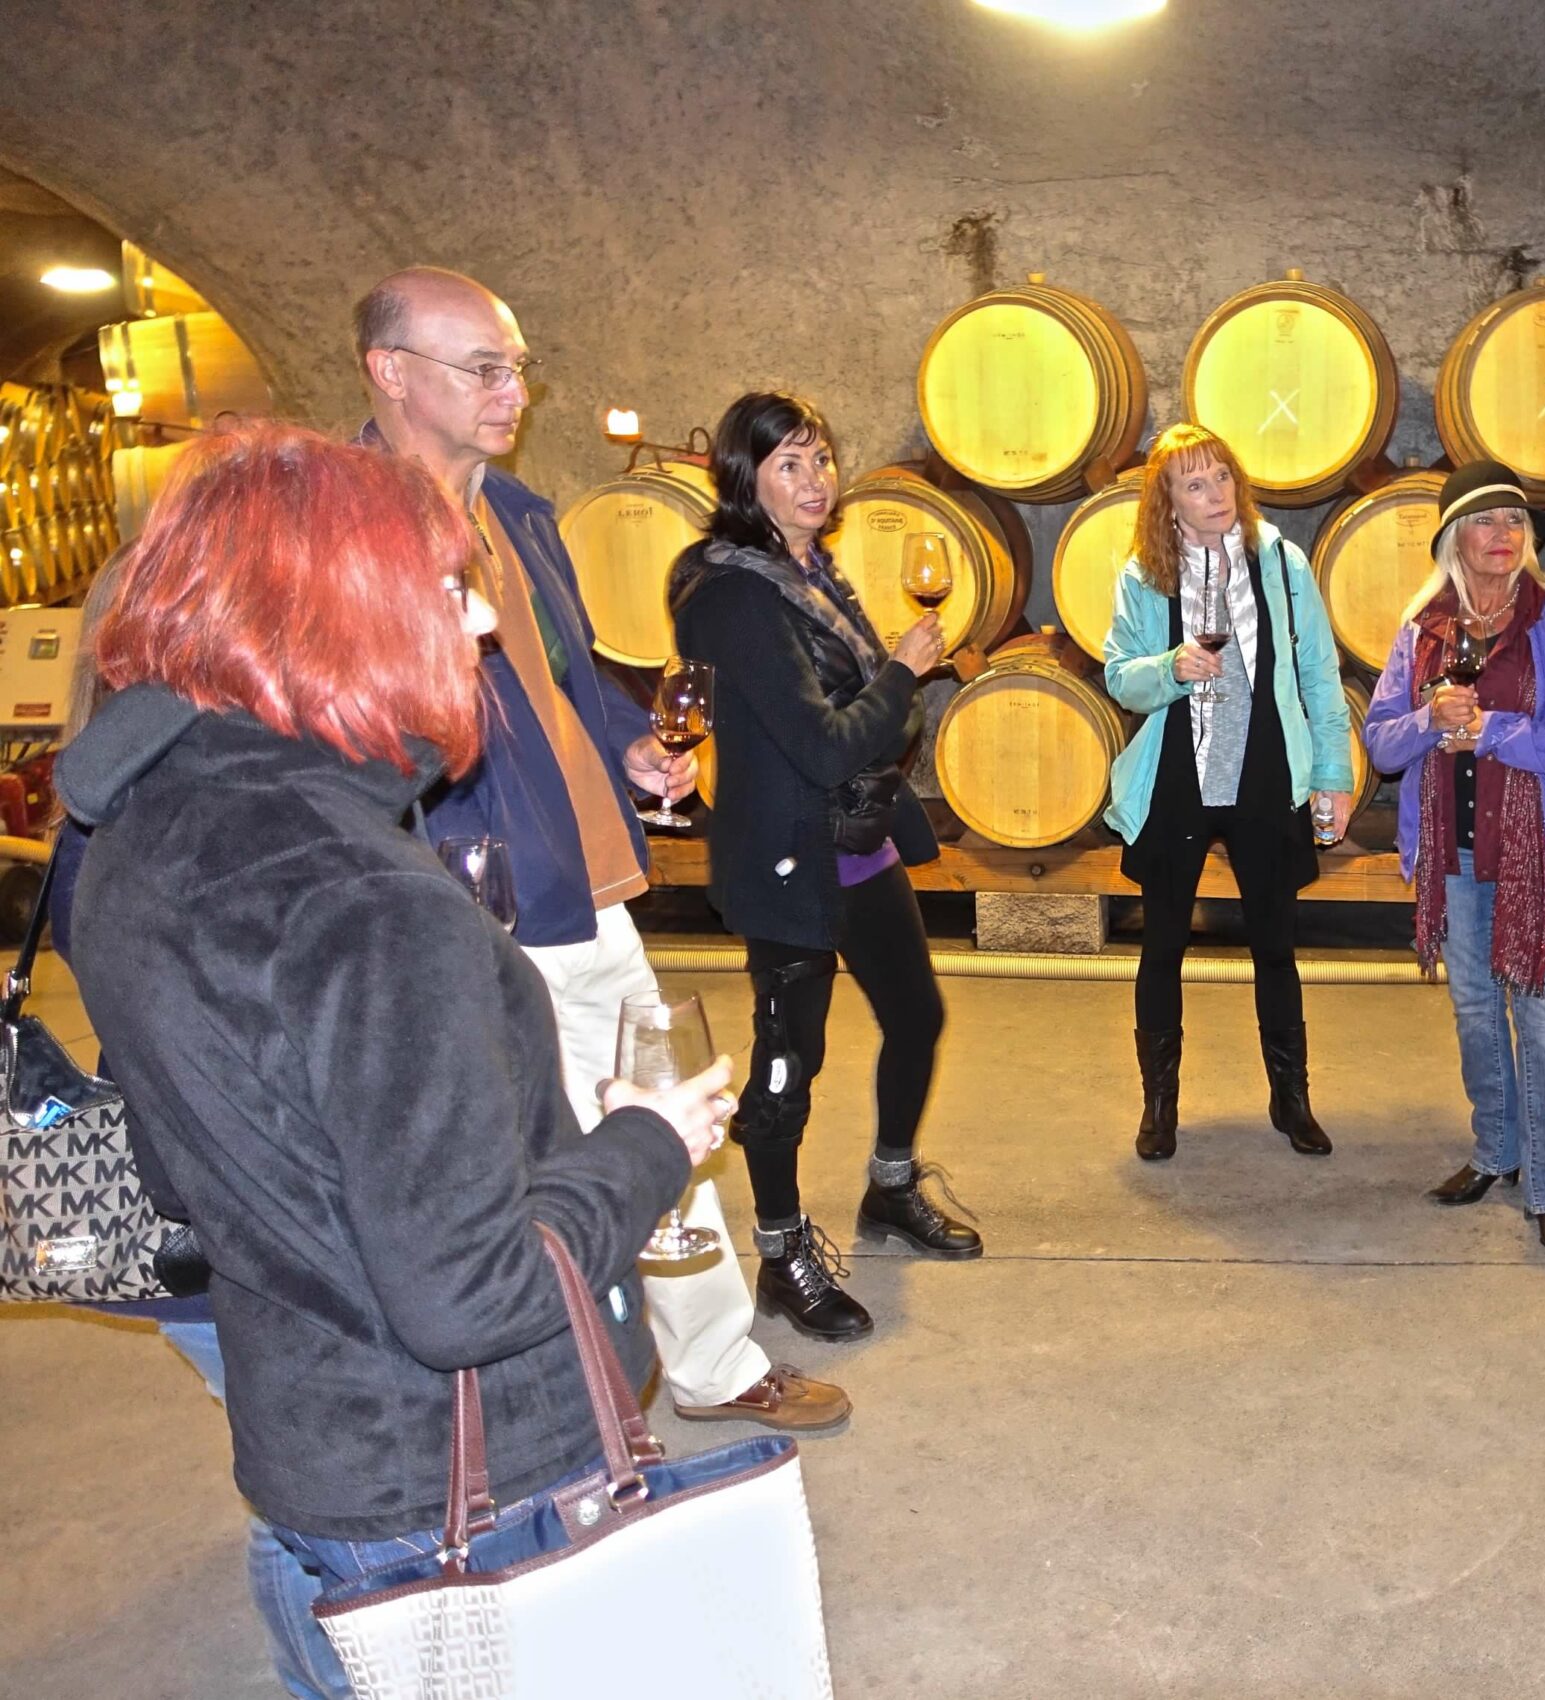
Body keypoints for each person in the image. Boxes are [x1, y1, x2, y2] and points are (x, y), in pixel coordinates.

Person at [58, 422, 734, 1700]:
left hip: (312, 1473)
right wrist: (646, 1141)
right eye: (442, 584)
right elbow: (469, 1297)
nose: (478, 617)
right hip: (464, 1494)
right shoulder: (369, 899)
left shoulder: (143, 828)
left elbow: (179, 1160)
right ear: (335, 613)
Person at [352, 268, 847, 1433]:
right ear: (389, 371)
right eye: (483, 367)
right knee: (520, 1155)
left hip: (586, 878)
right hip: (471, 894)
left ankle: (711, 1364)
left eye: (516, 364)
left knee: (662, 1114)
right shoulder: (347, 525)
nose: (512, 387)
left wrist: (634, 748)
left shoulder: (518, 514)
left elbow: (572, 679)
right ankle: (570, 1391)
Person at [668, 391, 981, 1343]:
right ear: (746, 478)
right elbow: (819, 742)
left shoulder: (808, 571)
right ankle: (779, 1250)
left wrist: (892, 689)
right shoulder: (734, 594)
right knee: (784, 1068)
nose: (816, 480)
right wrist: (904, 674)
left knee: (917, 1017)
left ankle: (889, 1186)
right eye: (790, 465)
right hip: (786, 860)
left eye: (822, 459)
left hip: (857, 844)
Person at [1363, 461, 1545, 1257]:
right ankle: (1493, 1151)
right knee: (1476, 1011)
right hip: (1452, 853)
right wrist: (1431, 721)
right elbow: (1380, 744)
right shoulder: (1422, 629)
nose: (1503, 535)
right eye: (1484, 520)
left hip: (1537, 854)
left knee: (1542, 1024)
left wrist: (1494, 730)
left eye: (1514, 520)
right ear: (1452, 538)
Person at [1100, 423, 1356, 1161]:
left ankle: (1292, 1099)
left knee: (1276, 944)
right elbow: (1120, 675)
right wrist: (1169, 668)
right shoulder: (1145, 575)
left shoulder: (1280, 563)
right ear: (1168, 503)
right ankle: (1159, 1106)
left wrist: (1333, 776)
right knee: (1164, 944)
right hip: (1180, 775)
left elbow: (1317, 675)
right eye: (1195, 484)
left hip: (1265, 772)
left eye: (1222, 477)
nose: (1216, 495)